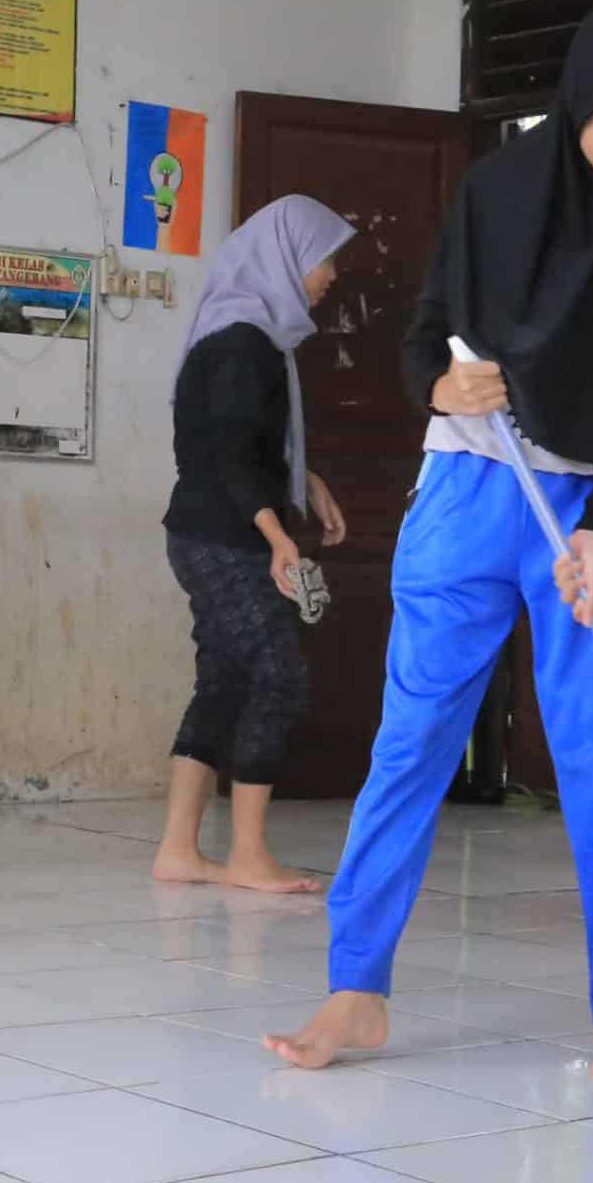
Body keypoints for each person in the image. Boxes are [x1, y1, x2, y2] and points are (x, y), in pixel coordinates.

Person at [266, 0, 593, 1080]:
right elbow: (418, 337)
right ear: (574, 108)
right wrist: (438, 380)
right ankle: (355, 987)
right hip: (470, 486)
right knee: (414, 736)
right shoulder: (498, 193)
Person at [157, 196, 355, 894]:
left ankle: (179, 849)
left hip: (204, 529)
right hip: (225, 535)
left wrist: (306, 481)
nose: (332, 274)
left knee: (225, 678)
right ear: (288, 256)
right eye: (325, 257)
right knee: (277, 671)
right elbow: (235, 457)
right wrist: (278, 538)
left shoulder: (242, 331)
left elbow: (241, 443)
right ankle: (246, 853)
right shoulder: (245, 340)